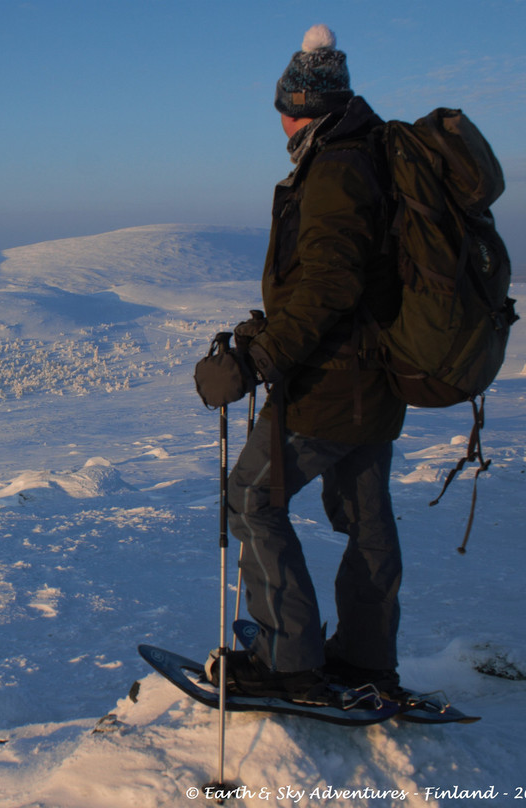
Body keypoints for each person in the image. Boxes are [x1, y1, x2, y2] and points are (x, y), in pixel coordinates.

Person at [198, 24, 406, 704]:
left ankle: (289, 661)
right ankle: (368, 661)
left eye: (283, 107)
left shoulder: (338, 169)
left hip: (331, 383)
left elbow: (330, 284)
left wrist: (262, 357)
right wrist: (269, 325)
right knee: (364, 520)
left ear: (302, 107)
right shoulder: (368, 154)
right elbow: (343, 280)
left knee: (250, 498)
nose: (280, 120)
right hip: (376, 380)